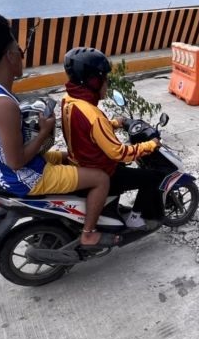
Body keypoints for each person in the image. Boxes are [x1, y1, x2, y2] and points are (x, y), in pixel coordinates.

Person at [0, 11, 119, 249]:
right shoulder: (3, 105)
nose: (21, 57)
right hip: (22, 176)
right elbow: (17, 161)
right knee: (100, 178)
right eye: (20, 51)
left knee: (72, 157)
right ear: (11, 56)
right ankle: (89, 233)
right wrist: (45, 131)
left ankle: (72, 218)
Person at [60, 47, 163, 229]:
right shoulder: (94, 115)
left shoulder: (68, 100)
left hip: (80, 162)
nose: (107, 84)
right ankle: (135, 219)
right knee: (152, 177)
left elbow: (86, 130)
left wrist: (115, 123)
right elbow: (119, 153)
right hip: (101, 170)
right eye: (104, 79)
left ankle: (111, 207)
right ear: (93, 81)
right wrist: (150, 145)